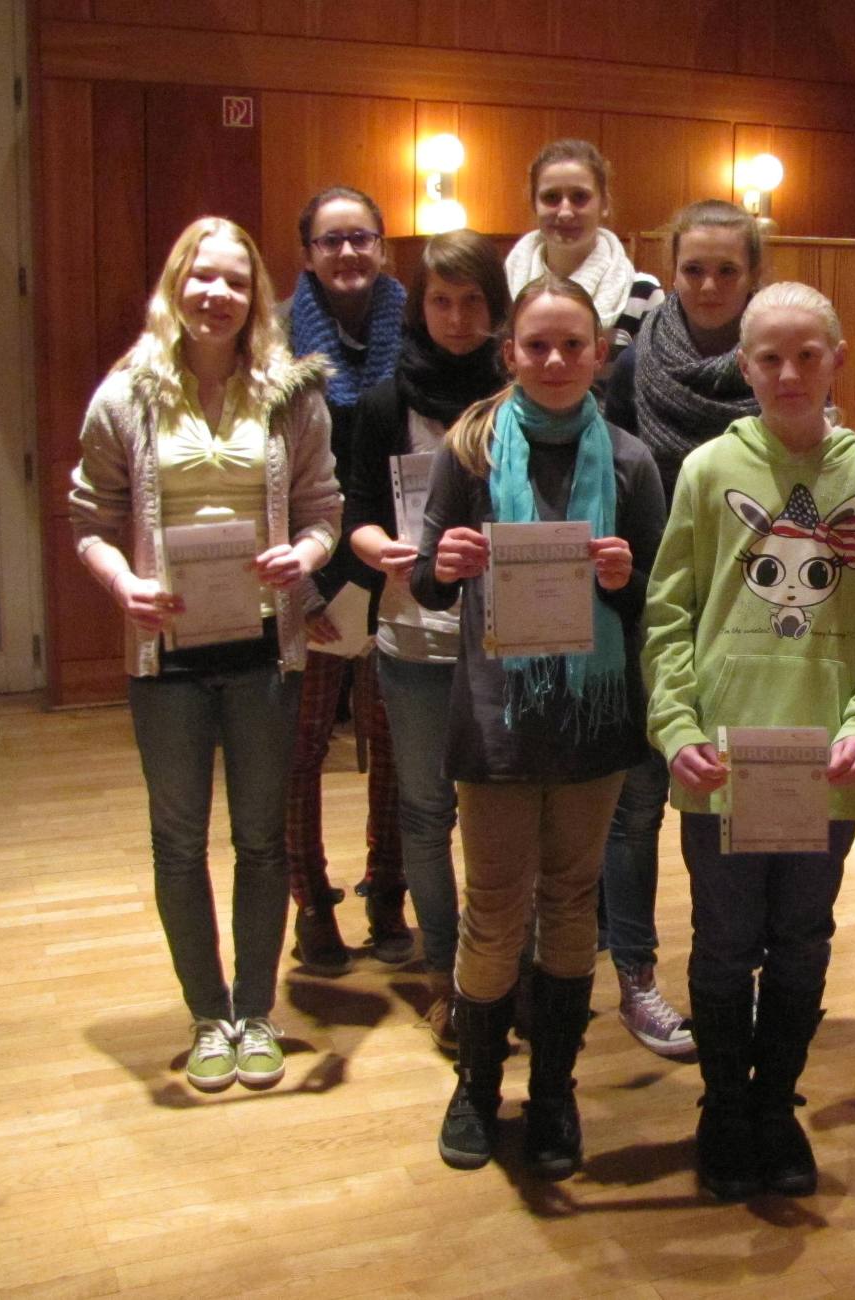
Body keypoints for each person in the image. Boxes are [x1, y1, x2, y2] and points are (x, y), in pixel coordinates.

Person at [642, 281, 855, 1200]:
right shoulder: (706, 472)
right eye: (770, 357)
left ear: (839, 358)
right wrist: (676, 724)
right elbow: (668, 615)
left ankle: (775, 1106)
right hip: (722, 763)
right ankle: (724, 1108)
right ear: (745, 366)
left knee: (802, 939)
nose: (789, 373)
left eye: (808, 355)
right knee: (724, 943)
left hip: (824, 770)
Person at [69, 217, 339, 1091]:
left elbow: (324, 511)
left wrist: (304, 557)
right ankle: (206, 1015)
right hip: (168, 654)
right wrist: (123, 585)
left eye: (235, 280)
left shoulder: (292, 395)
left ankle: (255, 1012)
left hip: (264, 650)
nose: (217, 294)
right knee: (179, 842)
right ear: (175, 285)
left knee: (261, 840)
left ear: (256, 297)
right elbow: (88, 522)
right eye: (202, 277)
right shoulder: (126, 394)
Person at [410, 275, 665, 1178]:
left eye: (572, 345)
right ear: (509, 354)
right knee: (493, 910)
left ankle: (554, 1091)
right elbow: (426, 583)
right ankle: (477, 1088)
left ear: (600, 355)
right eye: (536, 345)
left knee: (570, 905)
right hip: (498, 721)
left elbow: (658, 601)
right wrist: (444, 564)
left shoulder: (631, 462)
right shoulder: (470, 451)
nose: (555, 360)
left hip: (594, 720)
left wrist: (625, 579)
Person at [598, 198, 764, 1059]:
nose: (707, 284)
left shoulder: (774, 361)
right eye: (692, 268)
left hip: (747, 620)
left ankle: (728, 974)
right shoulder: (632, 367)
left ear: (752, 276)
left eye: (726, 270)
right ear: (671, 269)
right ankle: (636, 976)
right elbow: (610, 481)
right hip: (646, 610)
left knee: (727, 807)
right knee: (636, 808)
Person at [347, 231, 510, 1050]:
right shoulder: (384, 404)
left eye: (472, 301)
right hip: (413, 637)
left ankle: (498, 968)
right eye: (441, 301)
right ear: (419, 308)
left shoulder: (521, 402)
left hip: (505, 642)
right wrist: (377, 547)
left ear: (496, 309)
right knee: (424, 811)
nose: (456, 317)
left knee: (502, 815)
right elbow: (356, 513)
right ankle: (444, 969)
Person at [283, 185, 410, 973]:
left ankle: (388, 893)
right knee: (300, 754)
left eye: (360, 237)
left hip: (395, 571)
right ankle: (311, 906)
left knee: (393, 752)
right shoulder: (275, 346)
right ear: (308, 255)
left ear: (382, 246)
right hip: (313, 576)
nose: (347, 252)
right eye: (330, 240)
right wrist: (299, 591)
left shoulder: (418, 333)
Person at [505, 139, 663, 367]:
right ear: (534, 205)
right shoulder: (504, 287)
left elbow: (652, 382)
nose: (565, 212)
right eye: (551, 198)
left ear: (604, 204)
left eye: (579, 197)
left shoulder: (643, 293)